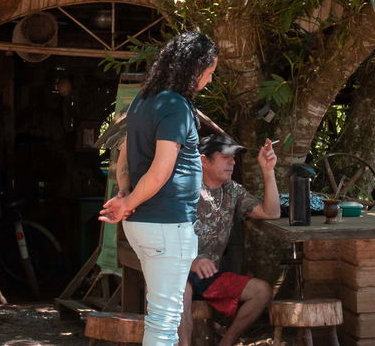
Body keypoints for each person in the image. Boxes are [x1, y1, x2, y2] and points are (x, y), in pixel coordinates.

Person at [101, 31, 218, 346]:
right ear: (194, 69)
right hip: (165, 224)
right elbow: (161, 170)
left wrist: (126, 194)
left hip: (145, 223)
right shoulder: (175, 106)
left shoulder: (145, 98)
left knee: (160, 315)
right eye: (208, 73)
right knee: (165, 321)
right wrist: (127, 202)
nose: (208, 81)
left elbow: (125, 151)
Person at [180, 134, 280, 346]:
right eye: (225, 157)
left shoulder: (232, 190)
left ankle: (227, 342)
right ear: (203, 160)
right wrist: (193, 261)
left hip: (211, 277)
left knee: (262, 291)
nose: (233, 162)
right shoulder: (183, 189)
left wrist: (268, 170)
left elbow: (271, 212)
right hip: (179, 271)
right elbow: (162, 237)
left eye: (233, 157)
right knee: (182, 290)